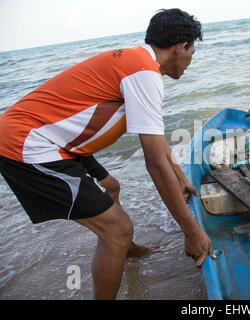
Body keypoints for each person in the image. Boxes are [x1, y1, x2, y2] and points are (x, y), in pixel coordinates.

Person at [0, 8, 215, 300]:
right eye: (192, 51)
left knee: (111, 186)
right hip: (29, 144)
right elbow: (154, 163)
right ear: (181, 47)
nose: (190, 61)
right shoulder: (144, 73)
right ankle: (119, 244)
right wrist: (191, 232)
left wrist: (181, 178)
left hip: (60, 142)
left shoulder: (135, 62)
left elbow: (157, 140)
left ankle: (126, 249)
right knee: (118, 229)